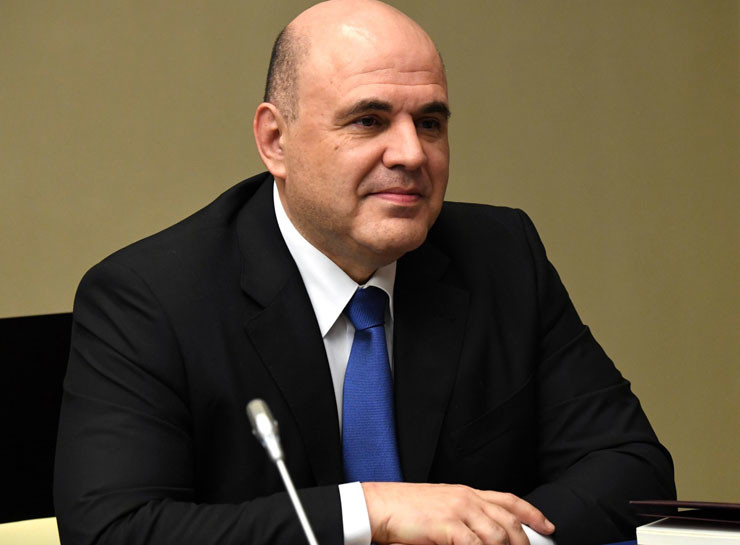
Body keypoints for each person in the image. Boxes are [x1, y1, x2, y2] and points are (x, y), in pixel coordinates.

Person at [54, 1, 676, 544]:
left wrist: (489, 538)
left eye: (430, 123)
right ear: (275, 141)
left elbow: (632, 467)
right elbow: (114, 529)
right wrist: (368, 511)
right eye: (368, 121)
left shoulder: (502, 255)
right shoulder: (150, 298)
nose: (411, 153)